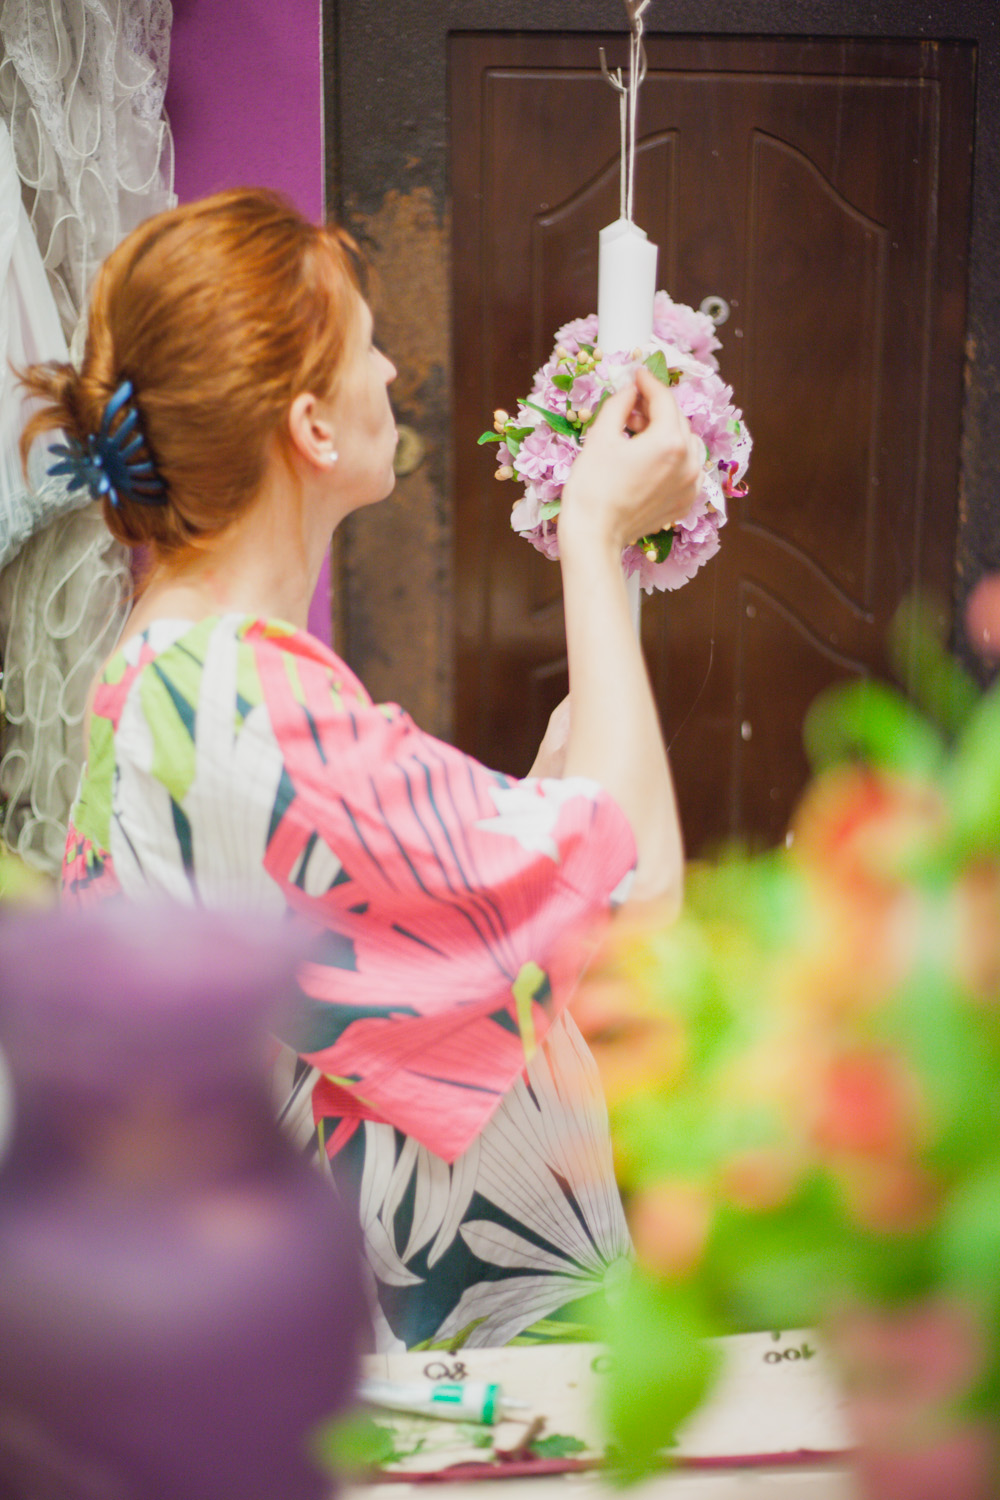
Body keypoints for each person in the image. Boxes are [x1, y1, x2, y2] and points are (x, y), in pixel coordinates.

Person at [20, 189, 704, 1350]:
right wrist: (590, 534)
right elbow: (635, 897)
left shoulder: (178, 679)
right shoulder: (237, 705)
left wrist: (545, 789)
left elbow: (477, 885)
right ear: (312, 428)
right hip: (409, 1376)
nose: (391, 370)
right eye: (366, 345)